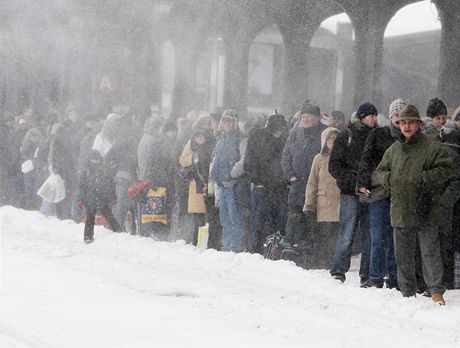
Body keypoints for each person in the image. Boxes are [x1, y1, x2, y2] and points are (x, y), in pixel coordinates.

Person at [377, 104, 451, 304]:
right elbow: (380, 171)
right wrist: (391, 179)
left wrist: (422, 178)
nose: (407, 126)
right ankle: (407, 292)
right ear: (399, 124)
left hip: (426, 208)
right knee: (403, 256)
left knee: (430, 252)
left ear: (418, 124)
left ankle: (436, 291)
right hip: (400, 209)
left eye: (410, 122)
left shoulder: (432, 147)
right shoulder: (394, 149)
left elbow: (446, 170)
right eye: (403, 122)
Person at [356, 98, 406, 289]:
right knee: (377, 237)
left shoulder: (407, 137)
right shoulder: (378, 134)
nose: (399, 120)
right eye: (396, 116)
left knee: (396, 238)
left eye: (402, 116)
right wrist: (362, 183)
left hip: (400, 194)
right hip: (379, 191)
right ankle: (375, 277)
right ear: (391, 116)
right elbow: (366, 159)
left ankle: (393, 278)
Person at [329, 102, 378, 286]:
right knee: (347, 233)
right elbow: (334, 165)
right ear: (361, 117)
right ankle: (338, 271)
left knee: (369, 236)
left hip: (370, 192)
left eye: (375, 116)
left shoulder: (377, 136)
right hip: (350, 192)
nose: (374, 119)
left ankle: (366, 275)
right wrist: (350, 180)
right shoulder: (346, 135)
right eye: (370, 116)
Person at [282, 100, 327, 246]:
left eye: (309, 116)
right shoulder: (296, 134)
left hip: (316, 187)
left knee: (312, 223)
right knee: (294, 219)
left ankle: (312, 254)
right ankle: (293, 250)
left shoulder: (325, 134)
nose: (306, 120)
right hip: (297, 185)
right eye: (303, 117)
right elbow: (286, 156)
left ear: (317, 117)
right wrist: (291, 176)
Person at [244, 113, 289, 254]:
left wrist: (284, 181)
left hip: (279, 187)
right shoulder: (258, 137)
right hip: (262, 187)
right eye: (276, 130)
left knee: (278, 222)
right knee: (259, 221)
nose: (278, 133)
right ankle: (256, 250)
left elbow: (287, 162)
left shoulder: (286, 140)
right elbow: (249, 162)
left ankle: (274, 252)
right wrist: (257, 181)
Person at [303, 127, 341, 269]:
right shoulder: (318, 159)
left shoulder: (344, 157)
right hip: (323, 204)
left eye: (335, 138)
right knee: (323, 236)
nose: (333, 141)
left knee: (337, 237)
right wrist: (309, 204)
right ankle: (321, 263)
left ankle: (335, 262)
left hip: (339, 203)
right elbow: (312, 182)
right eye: (330, 138)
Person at [211, 109, 247, 252]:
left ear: (236, 122)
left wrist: (232, 174)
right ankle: (227, 245)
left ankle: (236, 246)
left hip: (234, 185)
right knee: (224, 218)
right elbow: (216, 160)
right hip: (222, 185)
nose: (228, 124)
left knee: (235, 217)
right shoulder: (221, 140)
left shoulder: (242, 139)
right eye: (225, 121)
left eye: (231, 121)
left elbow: (244, 160)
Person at [179, 126, 215, 246]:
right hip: (196, 187)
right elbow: (182, 160)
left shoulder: (211, 146)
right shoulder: (191, 146)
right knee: (198, 219)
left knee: (209, 218)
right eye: (197, 137)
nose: (199, 139)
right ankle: (197, 243)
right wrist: (195, 157)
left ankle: (208, 243)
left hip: (209, 186)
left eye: (202, 136)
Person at [79, 150, 122, 244]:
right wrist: (81, 199)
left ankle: (88, 236)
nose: (95, 165)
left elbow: (110, 184)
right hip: (94, 198)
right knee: (95, 217)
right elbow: (82, 187)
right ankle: (88, 236)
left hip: (98, 198)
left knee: (105, 215)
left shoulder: (102, 172)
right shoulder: (89, 173)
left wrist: (113, 197)